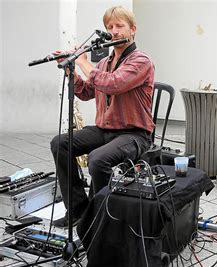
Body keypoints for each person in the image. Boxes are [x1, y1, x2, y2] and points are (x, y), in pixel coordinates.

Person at [50, 6, 155, 228]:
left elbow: (114, 84)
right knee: (60, 143)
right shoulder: (104, 63)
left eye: (120, 26)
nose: (114, 31)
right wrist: (70, 70)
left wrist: (82, 61)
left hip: (134, 134)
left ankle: (103, 218)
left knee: (98, 159)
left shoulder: (141, 60)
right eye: (110, 27)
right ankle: (79, 210)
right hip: (105, 130)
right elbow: (88, 91)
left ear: (133, 29)